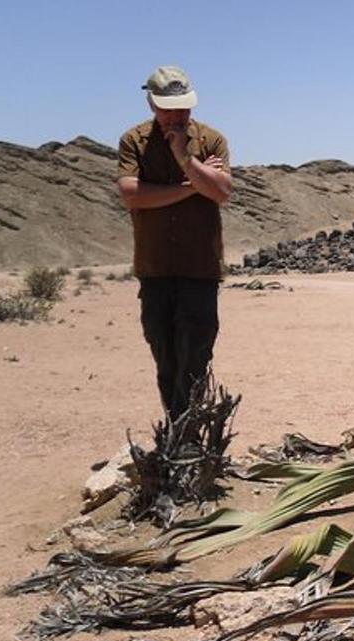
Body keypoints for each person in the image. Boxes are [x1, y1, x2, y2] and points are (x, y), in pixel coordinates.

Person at [117, 66, 232, 419]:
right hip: (155, 265)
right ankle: (177, 422)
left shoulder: (211, 140)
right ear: (152, 103)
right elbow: (131, 194)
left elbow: (221, 191)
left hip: (200, 266)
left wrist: (185, 157)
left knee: (196, 352)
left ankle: (189, 433)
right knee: (164, 350)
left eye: (183, 107)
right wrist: (192, 185)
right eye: (169, 108)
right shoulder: (134, 141)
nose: (177, 115)